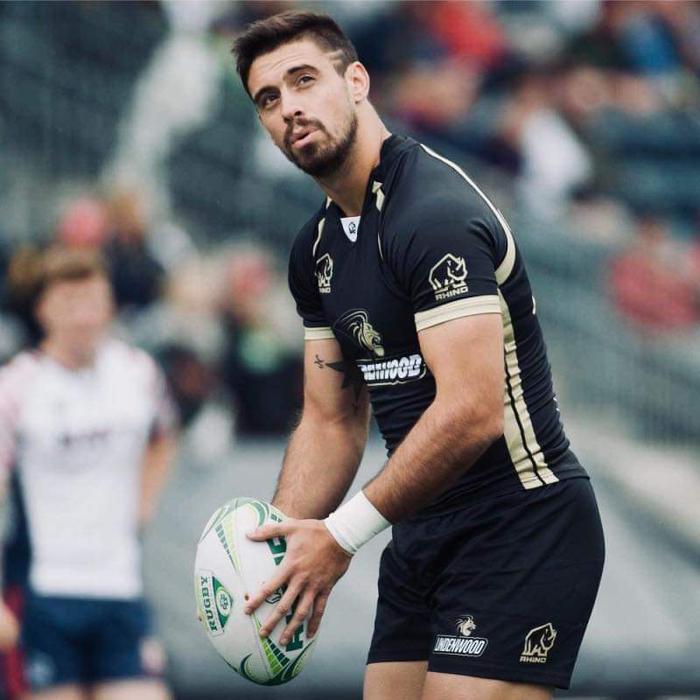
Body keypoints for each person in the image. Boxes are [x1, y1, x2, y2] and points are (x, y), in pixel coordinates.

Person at [233, 11, 605, 700]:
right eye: (268, 98)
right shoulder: (314, 250)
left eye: (305, 80)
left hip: (520, 524)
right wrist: (279, 553)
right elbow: (330, 420)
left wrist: (339, 536)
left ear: (357, 81)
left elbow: (472, 412)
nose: (289, 108)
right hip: (420, 535)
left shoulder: (431, 214)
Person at [0, 247, 177, 700]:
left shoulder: (137, 373)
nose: (83, 316)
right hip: (47, 591)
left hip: (120, 586)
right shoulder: (18, 385)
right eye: (69, 302)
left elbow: (164, 436)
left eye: (93, 301)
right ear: (43, 309)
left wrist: (143, 506)